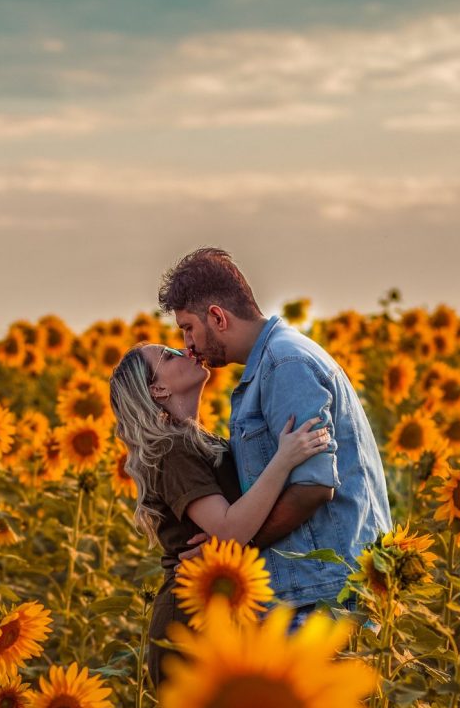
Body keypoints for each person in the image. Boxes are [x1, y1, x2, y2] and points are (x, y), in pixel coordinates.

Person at [159, 247, 393, 631]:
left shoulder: (286, 365)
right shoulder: (274, 362)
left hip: (324, 599)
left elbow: (313, 486)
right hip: (316, 593)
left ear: (217, 317)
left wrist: (233, 550)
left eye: (188, 327)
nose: (188, 345)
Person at [109, 342, 330, 687]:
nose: (184, 350)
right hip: (189, 622)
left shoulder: (198, 440)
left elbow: (233, 526)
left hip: (217, 609)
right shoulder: (172, 450)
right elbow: (230, 528)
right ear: (158, 389)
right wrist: (285, 459)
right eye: (168, 355)